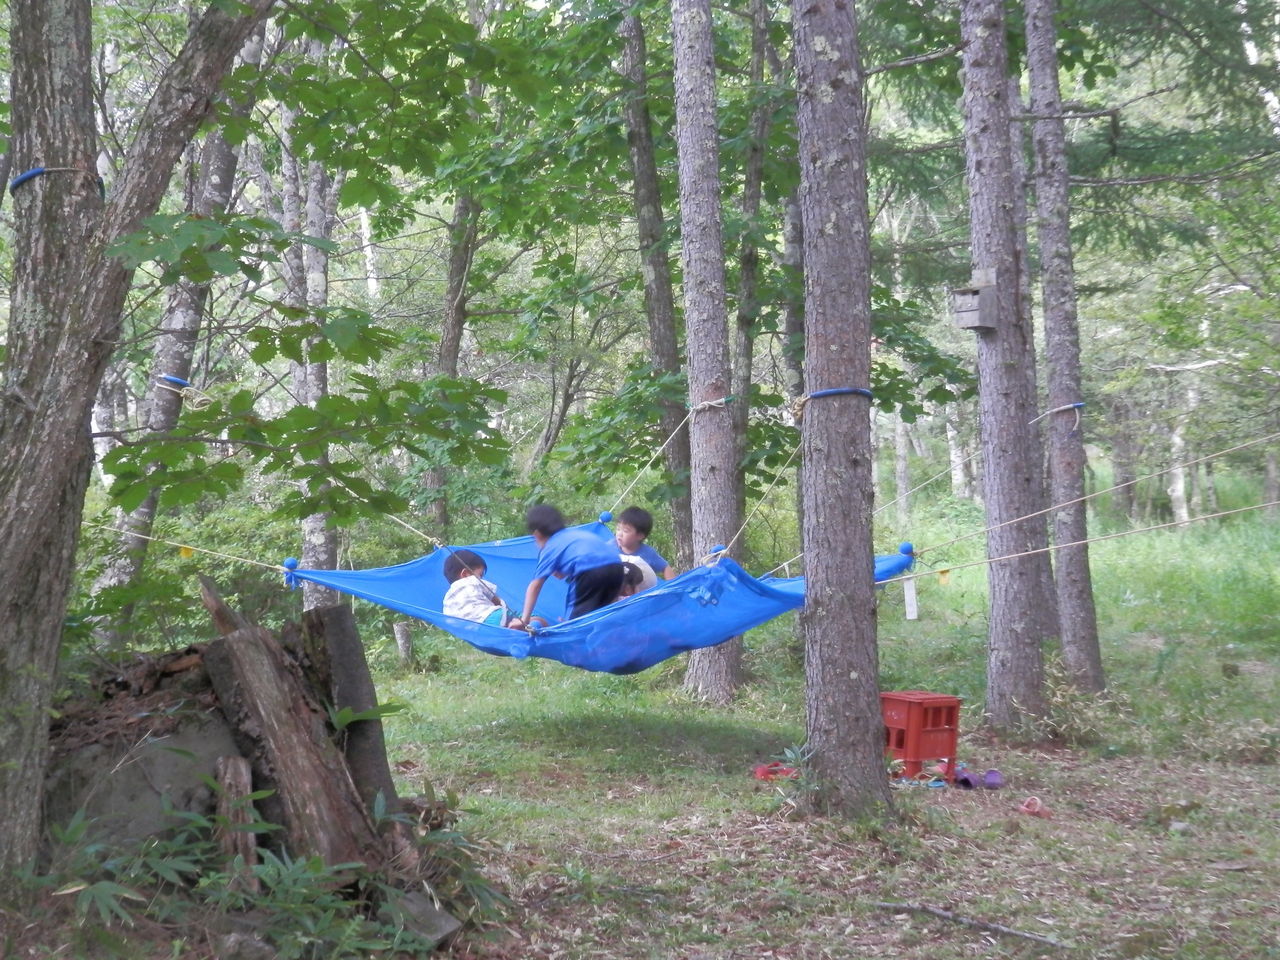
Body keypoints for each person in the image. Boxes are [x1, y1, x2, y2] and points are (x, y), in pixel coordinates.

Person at [521, 504, 625, 622]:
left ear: (537, 534)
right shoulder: (575, 535)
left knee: (574, 622)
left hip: (590, 571)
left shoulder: (549, 547)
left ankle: (569, 630)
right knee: (600, 616)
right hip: (617, 567)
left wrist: (524, 620)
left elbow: (535, 586)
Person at [443, 549, 527, 630]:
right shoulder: (473, 580)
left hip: (469, 630)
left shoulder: (447, 599)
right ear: (465, 574)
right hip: (489, 617)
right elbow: (496, 600)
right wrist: (505, 607)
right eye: (480, 575)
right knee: (526, 618)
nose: (481, 578)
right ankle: (535, 624)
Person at [615, 505, 676, 585]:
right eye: (618, 529)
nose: (619, 534)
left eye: (625, 531)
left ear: (640, 536)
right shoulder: (610, 548)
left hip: (641, 594)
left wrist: (672, 587)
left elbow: (665, 567)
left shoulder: (648, 553)